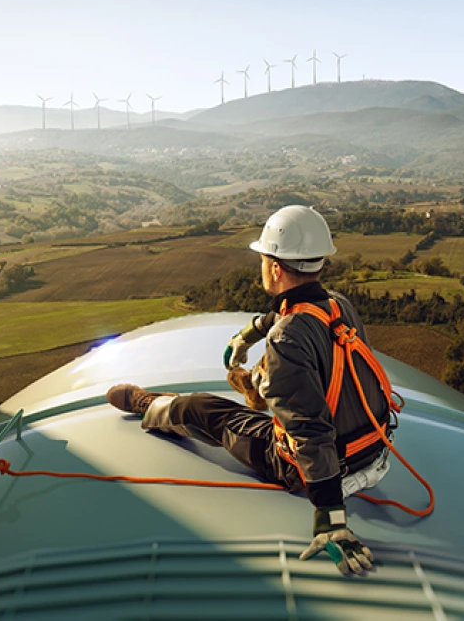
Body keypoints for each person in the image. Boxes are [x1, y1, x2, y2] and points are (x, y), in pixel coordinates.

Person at [106, 205, 391, 575]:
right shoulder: (338, 304)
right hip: (374, 450)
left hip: (321, 469)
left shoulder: (287, 339)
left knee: (201, 409)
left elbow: (310, 430)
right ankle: (256, 384)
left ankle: (152, 405)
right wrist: (249, 333)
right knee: (280, 379)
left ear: (274, 267)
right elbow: (290, 313)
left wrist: (331, 517)